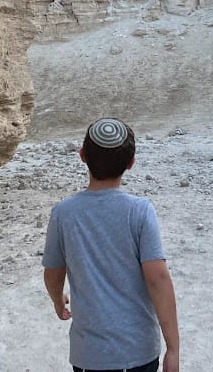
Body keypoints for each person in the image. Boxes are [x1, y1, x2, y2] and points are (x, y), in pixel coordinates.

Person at [43, 117, 180, 372]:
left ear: (82, 156)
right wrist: (173, 349)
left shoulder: (63, 213)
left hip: (89, 357)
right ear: (131, 163)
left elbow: (53, 274)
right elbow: (158, 280)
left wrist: (58, 301)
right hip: (138, 352)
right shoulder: (140, 212)